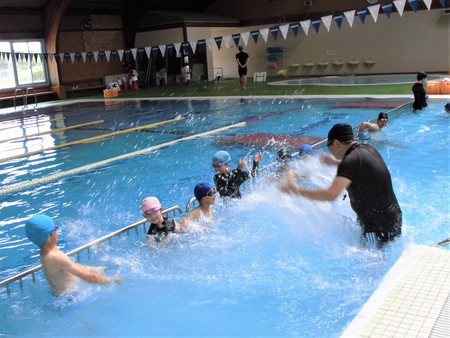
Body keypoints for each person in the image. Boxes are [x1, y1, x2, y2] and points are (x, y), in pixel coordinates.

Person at [281, 123, 402, 247]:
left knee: (373, 260)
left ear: (337, 143)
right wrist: (335, 162)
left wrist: (295, 190)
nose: (331, 152)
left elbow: (330, 195)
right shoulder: (368, 148)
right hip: (393, 219)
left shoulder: (350, 161)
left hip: (376, 228)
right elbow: (360, 167)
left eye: (329, 146)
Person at [25, 214, 121, 296]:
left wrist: (92, 269)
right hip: (70, 298)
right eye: (55, 228)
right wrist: (111, 280)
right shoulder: (56, 257)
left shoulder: (45, 252)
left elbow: (66, 268)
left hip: (57, 293)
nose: (58, 231)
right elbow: (87, 277)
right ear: (49, 235)